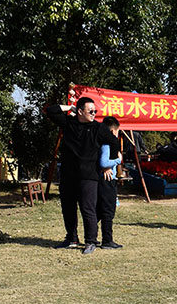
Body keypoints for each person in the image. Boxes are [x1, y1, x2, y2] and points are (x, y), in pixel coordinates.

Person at [45, 97, 120, 255]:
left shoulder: (98, 128)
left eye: (95, 111)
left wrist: (108, 165)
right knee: (68, 208)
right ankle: (71, 238)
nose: (93, 113)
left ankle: (90, 241)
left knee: (88, 209)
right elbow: (51, 111)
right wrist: (70, 108)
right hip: (68, 175)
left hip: (88, 176)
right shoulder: (69, 123)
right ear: (80, 111)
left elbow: (114, 142)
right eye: (90, 111)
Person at [98, 116, 124, 249]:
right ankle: (107, 240)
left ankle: (93, 237)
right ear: (113, 131)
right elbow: (103, 162)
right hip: (107, 181)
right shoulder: (107, 144)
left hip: (106, 180)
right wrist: (118, 160)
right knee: (107, 211)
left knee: (101, 211)